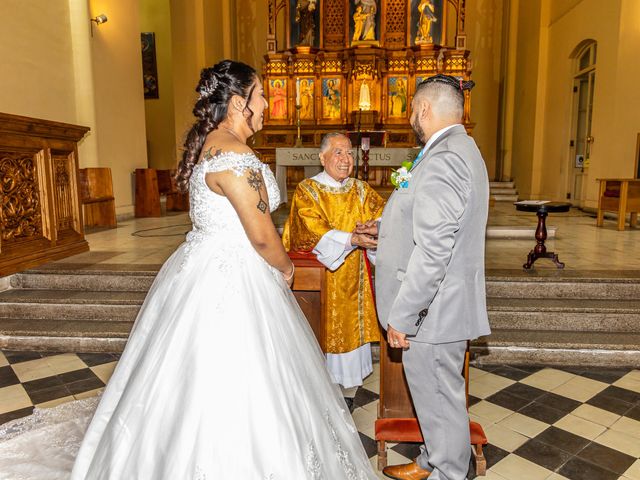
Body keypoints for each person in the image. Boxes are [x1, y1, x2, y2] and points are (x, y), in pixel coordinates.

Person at [0, 60, 378, 480]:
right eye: (261, 95)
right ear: (239, 102)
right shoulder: (236, 155)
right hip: (235, 275)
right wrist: (287, 269)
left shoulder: (212, 145)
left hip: (201, 268)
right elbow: (261, 236)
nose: (269, 103)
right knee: (244, 377)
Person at [357, 74, 490, 480]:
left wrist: (404, 314)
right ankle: (433, 459)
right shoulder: (456, 149)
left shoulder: (445, 157)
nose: (411, 116)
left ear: (425, 109)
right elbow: (434, 223)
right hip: (442, 305)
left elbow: (435, 250)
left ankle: (447, 471)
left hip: (433, 310)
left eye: (413, 108)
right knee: (436, 394)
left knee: (438, 394)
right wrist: (389, 228)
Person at [282, 132, 385, 410]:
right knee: (322, 330)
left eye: (349, 153)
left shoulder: (361, 189)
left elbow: (383, 213)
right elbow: (308, 230)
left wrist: (373, 227)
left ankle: (347, 392)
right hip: (321, 277)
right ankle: (320, 390)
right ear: (322, 157)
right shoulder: (308, 190)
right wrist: (351, 239)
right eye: (338, 152)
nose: (346, 159)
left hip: (355, 276)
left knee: (351, 332)